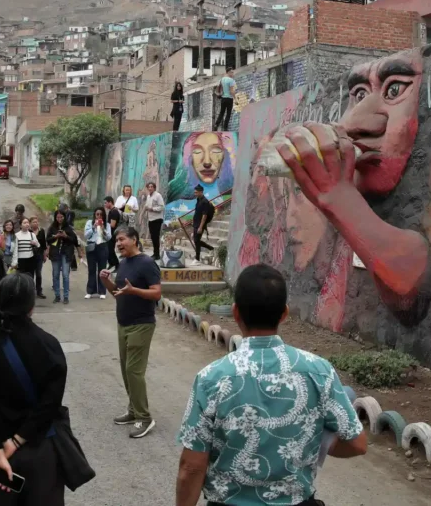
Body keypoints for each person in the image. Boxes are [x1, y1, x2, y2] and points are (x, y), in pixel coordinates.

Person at [176, 264, 367, 506]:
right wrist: (318, 441)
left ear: (235, 313)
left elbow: (191, 467)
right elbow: (357, 444)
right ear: (284, 313)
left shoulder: (211, 378)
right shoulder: (319, 370)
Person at [0, 274, 68, 506]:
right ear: (31, 306)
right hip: (38, 452)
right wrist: (17, 441)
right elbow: (50, 404)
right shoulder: (49, 345)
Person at [98, 226, 161, 438]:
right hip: (123, 323)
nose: (118, 243)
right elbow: (118, 293)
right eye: (117, 240)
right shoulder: (124, 263)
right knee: (126, 371)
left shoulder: (147, 263)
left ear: (134, 240)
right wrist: (106, 280)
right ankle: (134, 411)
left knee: (134, 371)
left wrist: (134, 290)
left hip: (141, 324)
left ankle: (145, 418)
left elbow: (156, 293)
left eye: (122, 239)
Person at [47, 210, 77, 304]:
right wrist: (55, 236)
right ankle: (57, 295)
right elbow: (47, 240)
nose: (59, 219)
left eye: (61, 217)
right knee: (55, 275)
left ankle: (66, 296)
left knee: (65, 275)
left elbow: (74, 240)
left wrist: (65, 236)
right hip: (55, 254)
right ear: (55, 218)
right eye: (58, 217)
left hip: (66, 253)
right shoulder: (52, 227)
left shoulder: (68, 227)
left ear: (64, 217)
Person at [83, 208, 111, 299]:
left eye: (101, 214)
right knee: (91, 269)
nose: (99, 216)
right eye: (97, 214)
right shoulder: (89, 223)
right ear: (94, 214)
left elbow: (109, 238)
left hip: (102, 246)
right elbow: (86, 235)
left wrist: (103, 229)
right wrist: (93, 227)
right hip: (92, 246)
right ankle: (90, 290)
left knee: (102, 270)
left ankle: (102, 291)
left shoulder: (107, 224)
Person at [13, 218, 41, 290]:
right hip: (20, 260)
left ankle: (30, 293)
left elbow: (38, 245)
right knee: (21, 278)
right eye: (24, 223)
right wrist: (15, 262)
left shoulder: (32, 235)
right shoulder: (16, 235)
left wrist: (35, 243)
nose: (27, 224)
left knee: (30, 277)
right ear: (21, 225)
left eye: (27, 222)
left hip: (30, 259)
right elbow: (15, 250)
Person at [192, 185, 215, 262]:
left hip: (200, 224)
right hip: (196, 223)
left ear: (201, 192)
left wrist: (201, 227)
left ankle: (197, 259)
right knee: (196, 240)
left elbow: (204, 215)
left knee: (197, 240)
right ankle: (211, 248)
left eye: (196, 192)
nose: (195, 194)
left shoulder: (205, 202)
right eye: (194, 192)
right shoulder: (198, 200)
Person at [143, 182, 165, 261]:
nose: (150, 188)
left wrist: (152, 209)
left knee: (156, 237)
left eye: (152, 187)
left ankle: (157, 254)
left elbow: (162, 207)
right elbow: (147, 206)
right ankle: (155, 253)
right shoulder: (149, 196)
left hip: (157, 219)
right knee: (152, 237)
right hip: (150, 218)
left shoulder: (158, 195)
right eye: (149, 187)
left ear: (154, 188)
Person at [31, 216, 47, 299]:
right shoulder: (28, 232)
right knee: (30, 274)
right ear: (30, 223)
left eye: (37, 222)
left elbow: (44, 244)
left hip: (39, 255)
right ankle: (31, 291)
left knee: (38, 273)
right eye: (34, 222)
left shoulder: (41, 231)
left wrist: (45, 255)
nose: (36, 223)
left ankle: (39, 291)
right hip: (30, 255)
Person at [103, 197, 122, 268]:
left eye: (105, 203)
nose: (104, 205)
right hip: (110, 233)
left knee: (110, 250)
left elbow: (112, 225)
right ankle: (111, 263)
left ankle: (117, 265)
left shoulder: (114, 212)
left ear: (110, 202)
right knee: (108, 249)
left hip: (113, 234)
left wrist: (104, 226)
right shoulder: (111, 211)